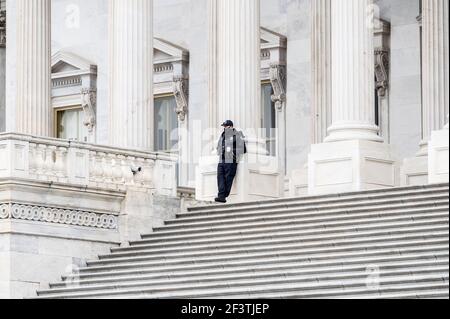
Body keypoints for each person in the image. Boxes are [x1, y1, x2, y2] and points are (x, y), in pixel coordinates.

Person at [215, 120, 247, 203]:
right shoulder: (222, 135)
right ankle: (221, 195)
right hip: (221, 160)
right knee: (220, 177)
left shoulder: (237, 135)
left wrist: (232, 151)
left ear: (231, 126)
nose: (225, 128)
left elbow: (243, 149)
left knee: (228, 178)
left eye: (227, 127)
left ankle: (223, 196)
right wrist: (219, 151)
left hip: (231, 161)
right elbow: (218, 146)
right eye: (224, 127)